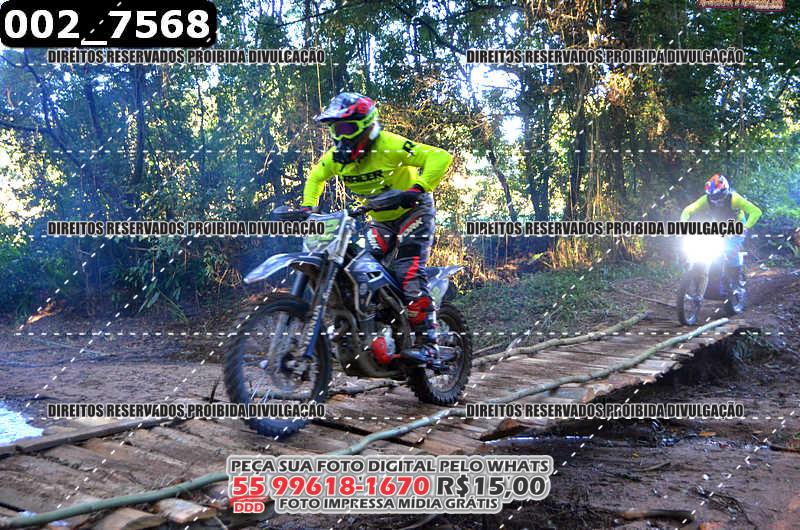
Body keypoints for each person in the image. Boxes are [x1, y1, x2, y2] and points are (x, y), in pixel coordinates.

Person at [300, 92, 453, 365]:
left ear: (365, 125)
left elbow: (439, 156)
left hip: (413, 211)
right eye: (336, 129)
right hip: (380, 220)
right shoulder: (336, 158)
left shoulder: (389, 145)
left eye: (346, 128)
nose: (340, 135)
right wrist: (308, 208)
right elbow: (316, 177)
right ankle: (379, 328)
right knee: (360, 268)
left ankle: (430, 345)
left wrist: (417, 189)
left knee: (407, 271)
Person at [680, 173, 762, 282]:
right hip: (719, 226)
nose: (716, 200)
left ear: (725, 191)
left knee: (731, 249)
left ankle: (736, 281)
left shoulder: (735, 199)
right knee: (705, 247)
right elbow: (687, 210)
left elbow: (756, 211)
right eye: (713, 197)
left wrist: (746, 227)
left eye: (719, 196)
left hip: (737, 225)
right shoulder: (706, 199)